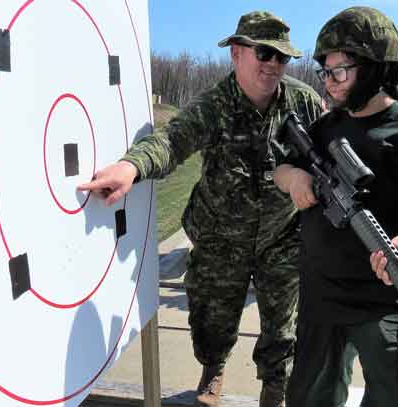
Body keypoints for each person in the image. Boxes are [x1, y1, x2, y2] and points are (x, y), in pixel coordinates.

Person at [78, 11, 323, 407]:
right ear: (237, 53)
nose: (273, 64)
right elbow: (172, 141)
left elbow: (328, 151)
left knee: (283, 327)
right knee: (211, 319)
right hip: (220, 237)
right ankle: (213, 371)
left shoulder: (303, 103)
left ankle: (275, 389)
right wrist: (131, 167)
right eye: (264, 53)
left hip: (282, 237)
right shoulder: (214, 104)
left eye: (282, 58)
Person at [273, 7, 398, 407]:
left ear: (374, 69)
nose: (330, 82)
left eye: (340, 71)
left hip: (388, 302)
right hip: (322, 296)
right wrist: (294, 179)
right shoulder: (324, 130)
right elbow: (282, 166)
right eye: (326, 72)